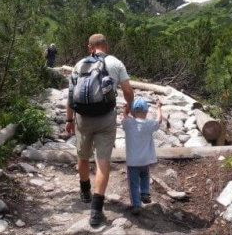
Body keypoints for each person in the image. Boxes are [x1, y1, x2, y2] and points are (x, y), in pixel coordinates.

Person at [65, 34, 134, 226]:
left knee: (82, 156)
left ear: (90, 48)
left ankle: (85, 190)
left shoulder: (79, 65)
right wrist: (128, 106)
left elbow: (71, 96)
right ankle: (96, 211)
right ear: (106, 45)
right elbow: (128, 91)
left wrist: (69, 119)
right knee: (103, 162)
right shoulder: (115, 63)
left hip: (83, 118)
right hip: (105, 118)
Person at [122, 97, 163, 215]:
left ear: (132, 112)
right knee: (145, 175)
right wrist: (159, 108)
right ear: (146, 112)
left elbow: (124, 117)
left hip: (132, 161)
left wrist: (125, 110)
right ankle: (144, 193)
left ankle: (136, 205)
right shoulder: (149, 123)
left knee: (134, 183)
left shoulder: (128, 123)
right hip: (145, 160)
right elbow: (159, 120)